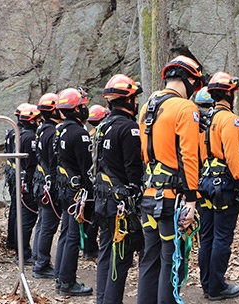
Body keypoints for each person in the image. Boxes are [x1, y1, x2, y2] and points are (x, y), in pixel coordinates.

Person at [137, 55, 205, 304]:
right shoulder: (185, 108)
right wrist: (191, 199)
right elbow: (190, 156)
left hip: (149, 194)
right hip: (171, 199)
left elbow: (144, 152)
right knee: (171, 258)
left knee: (149, 257)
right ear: (188, 80)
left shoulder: (148, 105)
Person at [94, 74, 145, 304]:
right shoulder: (129, 129)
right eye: (135, 98)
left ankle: (103, 299)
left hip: (103, 200)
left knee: (106, 252)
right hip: (120, 203)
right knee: (120, 258)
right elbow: (133, 169)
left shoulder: (103, 126)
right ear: (128, 101)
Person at [198, 72, 239, 301]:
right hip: (224, 184)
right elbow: (232, 155)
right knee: (221, 237)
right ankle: (217, 287)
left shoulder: (205, 119)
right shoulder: (229, 119)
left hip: (205, 181)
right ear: (228, 93)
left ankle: (207, 283)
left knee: (206, 235)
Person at [53, 88, 94, 296]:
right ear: (76, 109)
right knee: (72, 237)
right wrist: (92, 192)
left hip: (64, 188)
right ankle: (68, 282)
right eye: (83, 106)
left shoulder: (60, 130)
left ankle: (61, 278)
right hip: (75, 192)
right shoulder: (79, 134)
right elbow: (87, 168)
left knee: (65, 234)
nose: (85, 109)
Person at [31, 92, 63, 279]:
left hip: (40, 181)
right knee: (48, 225)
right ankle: (41, 264)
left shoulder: (42, 129)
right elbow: (53, 161)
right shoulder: (52, 132)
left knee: (43, 223)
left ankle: (38, 258)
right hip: (47, 183)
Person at [15, 103, 42, 265]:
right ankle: (23, 253)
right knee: (27, 219)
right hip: (29, 181)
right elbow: (32, 163)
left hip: (23, 179)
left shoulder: (20, 134)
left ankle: (22, 251)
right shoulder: (30, 137)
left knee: (25, 218)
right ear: (31, 121)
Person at [80, 104, 108, 260]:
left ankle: (86, 247)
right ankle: (90, 249)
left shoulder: (91, 134)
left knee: (89, 218)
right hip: (97, 181)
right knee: (94, 219)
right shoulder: (98, 135)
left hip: (92, 180)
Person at [4, 103, 31, 251]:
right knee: (18, 209)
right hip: (16, 174)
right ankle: (15, 243)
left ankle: (12, 241)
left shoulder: (12, 131)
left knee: (15, 208)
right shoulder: (20, 133)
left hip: (12, 172)